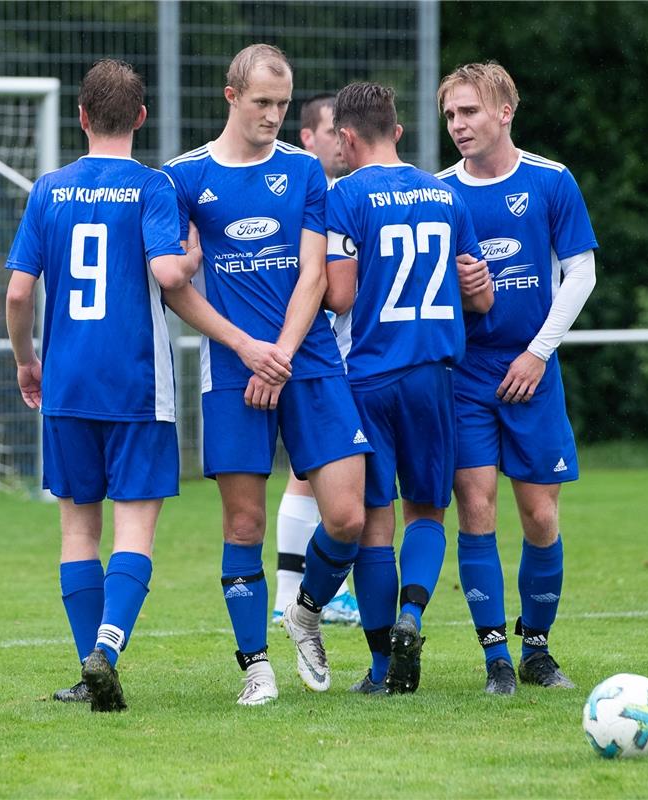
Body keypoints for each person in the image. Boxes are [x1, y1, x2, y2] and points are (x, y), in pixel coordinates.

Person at [4, 59, 289, 712]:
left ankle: (87, 668)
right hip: (136, 385)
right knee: (134, 531)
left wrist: (27, 360)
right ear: (140, 117)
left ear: (81, 117)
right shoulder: (152, 187)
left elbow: (20, 292)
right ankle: (107, 647)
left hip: (69, 384)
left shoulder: (49, 189)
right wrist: (190, 257)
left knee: (78, 530)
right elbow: (167, 273)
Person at [162, 44, 372, 705]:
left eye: (283, 105)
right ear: (231, 97)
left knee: (346, 517)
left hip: (306, 362)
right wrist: (247, 349)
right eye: (262, 103)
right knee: (243, 526)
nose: (274, 115)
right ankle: (255, 664)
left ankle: (305, 610)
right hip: (233, 370)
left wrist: (276, 354)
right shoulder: (184, 177)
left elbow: (315, 273)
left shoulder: (307, 171)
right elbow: (174, 287)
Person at [324, 81, 492, 694]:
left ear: (345, 138)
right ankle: (412, 616)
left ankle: (377, 670)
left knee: (375, 521)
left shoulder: (344, 195)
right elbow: (483, 295)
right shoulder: (446, 195)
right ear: (396, 132)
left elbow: (340, 295)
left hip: (367, 376)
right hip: (433, 375)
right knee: (428, 509)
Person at [437, 63, 598, 695]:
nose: (459, 125)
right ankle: (494, 660)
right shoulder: (438, 193)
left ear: (506, 111)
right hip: (467, 374)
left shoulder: (551, 182)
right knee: (475, 507)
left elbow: (580, 273)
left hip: (534, 368)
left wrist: (537, 352)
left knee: (539, 514)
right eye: (451, 115)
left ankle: (537, 648)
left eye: (470, 111)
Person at [271, 93, 360, 628]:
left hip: (329, 351)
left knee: (308, 476)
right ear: (308, 136)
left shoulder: (333, 192)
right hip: (321, 352)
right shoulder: (315, 194)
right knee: (315, 475)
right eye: (334, 129)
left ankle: (295, 595)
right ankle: (305, 595)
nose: (343, 139)